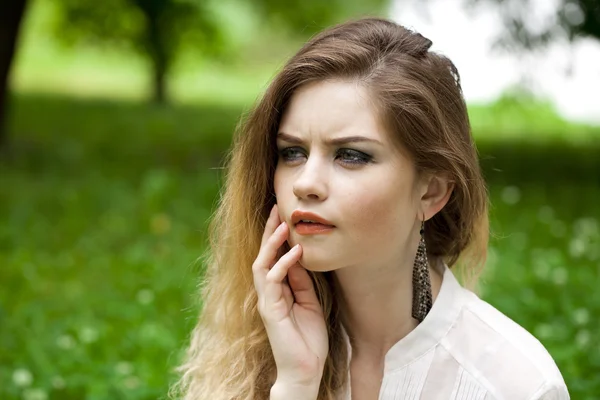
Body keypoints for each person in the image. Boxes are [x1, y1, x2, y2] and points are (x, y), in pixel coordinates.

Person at [174, 17, 569, 400]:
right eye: (292, 152)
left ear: (431, 192)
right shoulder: (255, 346)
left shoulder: (513, 385)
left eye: (351, 155)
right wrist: (296, 384)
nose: (306, 183)